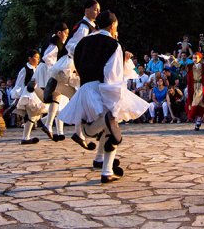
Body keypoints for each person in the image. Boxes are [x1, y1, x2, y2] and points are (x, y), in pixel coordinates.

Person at [58, 10, 150, 183]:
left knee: (110, 126)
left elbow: (77, 66)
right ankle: (89, 131)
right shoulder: (113, 45)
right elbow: (112, 75)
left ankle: (103, 164)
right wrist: (114, 97)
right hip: (102, 89)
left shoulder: (82, 43)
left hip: (85, 89)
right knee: (111, 122)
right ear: (113, 25)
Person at [48, 0, 99, 150]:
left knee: (80, 97)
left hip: (78, 65)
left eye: (98, 10)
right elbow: (73, 46)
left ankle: (81, 131)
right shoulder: (84, 27)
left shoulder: (90, 26)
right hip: (75, 66)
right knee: (82, 97)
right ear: (87, 9)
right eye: (95, 9)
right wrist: (81, 62)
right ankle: (87, 130)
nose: (97, 12)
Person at [11, 49, 49, 144]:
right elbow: (19, 84)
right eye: (36, 58)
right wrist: (18, 96)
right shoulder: (25, 69)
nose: (38, 60)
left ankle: (27, 136)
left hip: (37, 95)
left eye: (38, 58)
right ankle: (25, 137)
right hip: (28, 95)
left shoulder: (38, 69)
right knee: (32, 116)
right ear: (30, 58)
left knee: (36, 115)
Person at [39, 23, 69, 141]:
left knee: (56, 97)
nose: (66, 36)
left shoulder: (55, 42)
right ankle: (47, 123)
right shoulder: (55, 43)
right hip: (48, 71)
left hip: (49, 70)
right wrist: (56, 69)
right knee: (56, 96)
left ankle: (47, 123)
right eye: (65, 33)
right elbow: (47, 58)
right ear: (59, 33)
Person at [186, 52, 204, 130]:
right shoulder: (189, 66)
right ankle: (198, 121)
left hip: (201, 86)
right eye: (193, 58)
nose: (194, 59)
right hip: (193, 87)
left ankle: (197, 119)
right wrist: (173, 60)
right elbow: (179, 65)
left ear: (200, 58)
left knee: (197, 102)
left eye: (196, 58)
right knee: (198, 104)